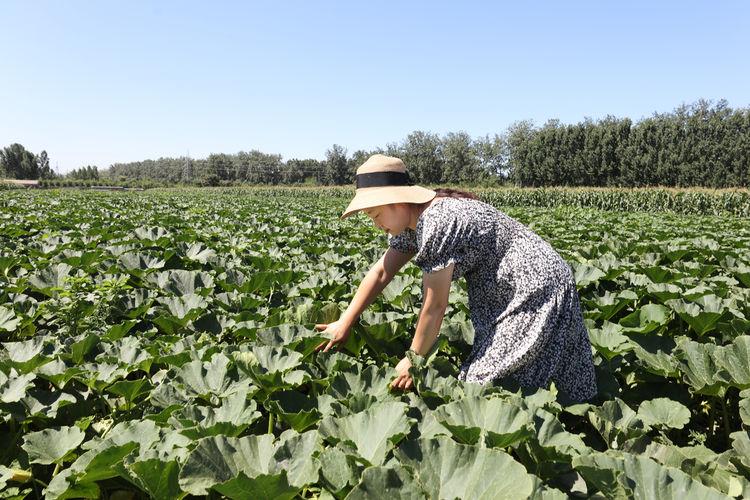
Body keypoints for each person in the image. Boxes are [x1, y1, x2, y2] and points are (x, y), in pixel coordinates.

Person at [314, 154, 597, 402]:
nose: (376, 225)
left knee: (480, 385)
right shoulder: (413, 224)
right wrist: (345, 320)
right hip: (522, 283)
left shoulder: (438, 221)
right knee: (524, 375)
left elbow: (434, 305)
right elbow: (382, 272)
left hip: (533, 285)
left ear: (399, 201)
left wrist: (414, 359)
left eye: (376, 214)